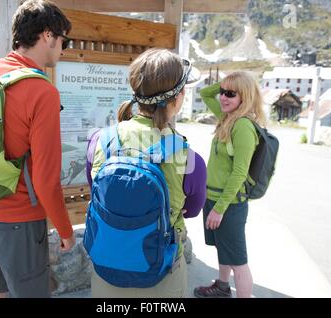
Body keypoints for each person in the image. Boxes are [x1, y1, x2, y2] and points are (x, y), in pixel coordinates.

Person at [0, 0, 75, 298]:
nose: (63, 49)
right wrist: (65, 230)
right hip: (19, 224)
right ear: (47, 35)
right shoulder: (42, 92)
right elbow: (45, 179)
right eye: (62, 40)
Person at [85, 48, 207, 297]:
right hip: (161, 270)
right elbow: (192, 210)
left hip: (106, 268)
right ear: (177, 96)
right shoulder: (190, 158)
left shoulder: (100, 140)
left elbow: (95, 187)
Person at [193, 72, 266, 298]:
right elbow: (205, 93)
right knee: (223, 249)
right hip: (215, 199)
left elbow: (239, 173)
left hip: (229, 204)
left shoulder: (243, 126)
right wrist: (226, 83)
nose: (223, 97)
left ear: (245, 97)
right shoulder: (228, 117)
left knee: (238, 261)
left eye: (231, 94)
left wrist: (219, 208)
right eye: (223, 92)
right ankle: (223, 287)